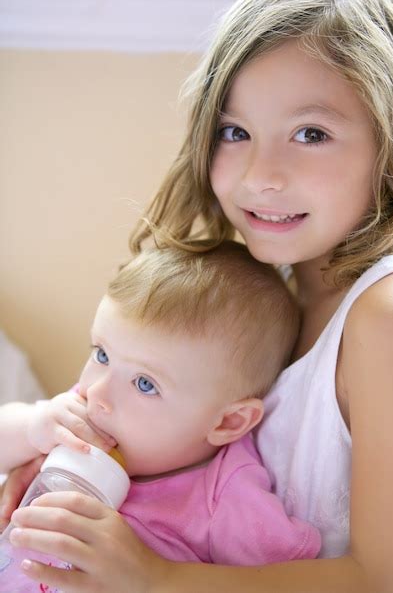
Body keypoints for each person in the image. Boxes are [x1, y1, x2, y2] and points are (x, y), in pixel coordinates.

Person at [3, 0, 393, 591]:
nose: (260, 174)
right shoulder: (264, 280)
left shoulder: (391, 315)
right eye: (235, 131)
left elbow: (391, 579)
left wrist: (155, 577)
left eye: (311, 133)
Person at [0, 242, 321, 584]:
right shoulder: (82, 413)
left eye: (144, 384)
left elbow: (286, 582)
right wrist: (33, 427)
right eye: (102, 355)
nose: (98, 393)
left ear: (228, 422)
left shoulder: (228, 499)